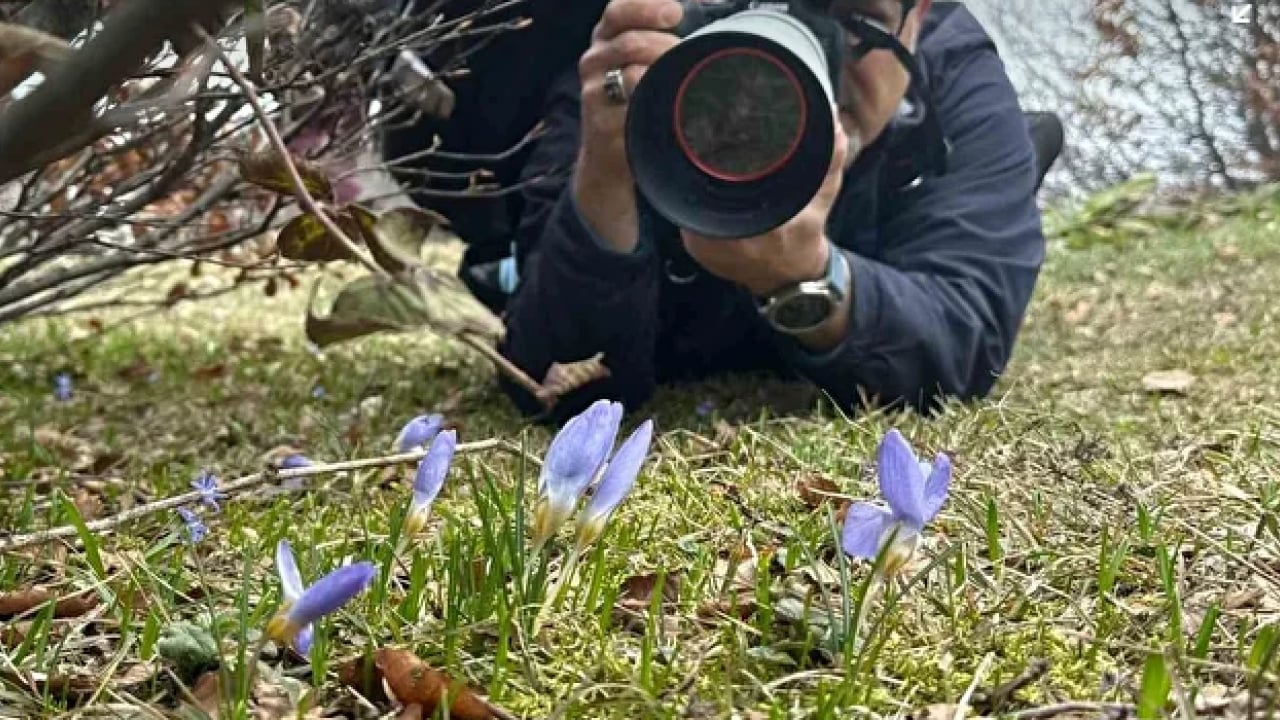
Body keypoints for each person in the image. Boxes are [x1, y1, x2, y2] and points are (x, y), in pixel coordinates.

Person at [398, 0, 1062, 420]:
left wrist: (806, 276)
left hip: (881, 226)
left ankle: (1018, 158)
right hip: (673, 314)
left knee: (993, 168)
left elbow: (969, 326)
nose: (814, 58)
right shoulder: (637, 64)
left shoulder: (951, 75)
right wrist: (605, 178)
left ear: (919, 19)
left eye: (854, 16)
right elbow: (557, 376)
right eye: (771, 9)